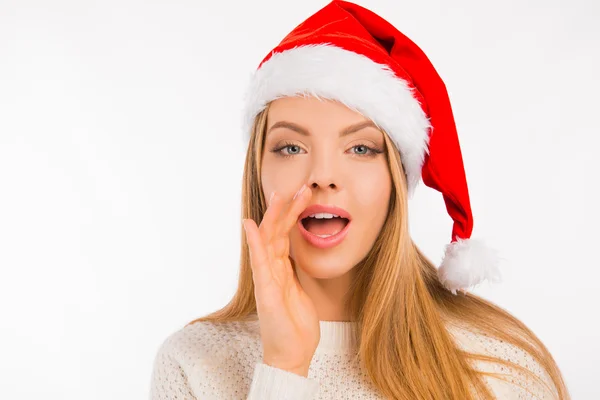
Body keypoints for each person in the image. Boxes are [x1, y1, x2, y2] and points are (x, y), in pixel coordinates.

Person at [149, 1, 570, 399]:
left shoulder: (500, 368)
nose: (323, 177)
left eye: (362, 149)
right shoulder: (194, 364)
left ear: (396, 181)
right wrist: (283, 366)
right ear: (258, 173)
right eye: (291, 148)